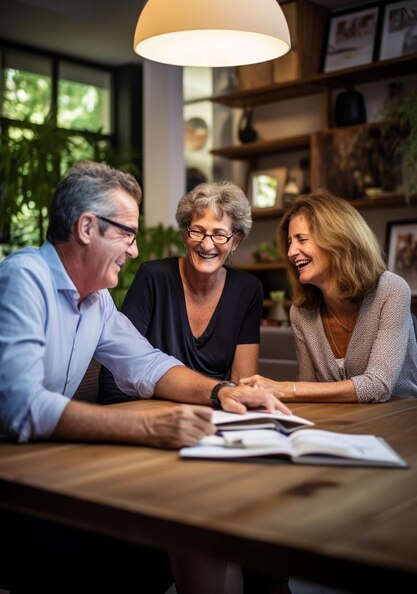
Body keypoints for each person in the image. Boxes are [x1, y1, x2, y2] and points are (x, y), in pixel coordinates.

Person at [0, 160, 288, 594]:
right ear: (86, 228)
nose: (135, 250)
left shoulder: (96, 301)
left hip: (46, 469)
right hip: (15, 494)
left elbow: (148, 364)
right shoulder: (24, 277)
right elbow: (21, 406)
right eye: (127, 234)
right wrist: (150, 425)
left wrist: (221, 390)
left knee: (195, 518)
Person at [241, 191, 417, 402]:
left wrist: (284, 389)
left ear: (338, 239)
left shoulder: (391, 290)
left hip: (398, 422)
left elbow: (378, 386)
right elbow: (309, 390)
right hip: (338, 426)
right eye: (289, 242)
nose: (290, 253)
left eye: (301, 239)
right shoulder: (301, 312)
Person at [99, 180, 263, 404]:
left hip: (215, 411)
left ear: (235, 241)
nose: (206, 245)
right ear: (185, 234)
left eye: (219, 234)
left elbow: (241, 383)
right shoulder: (153, 277)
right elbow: (116, 372)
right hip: (148, 410)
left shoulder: (247, 289)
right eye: (197, 231)